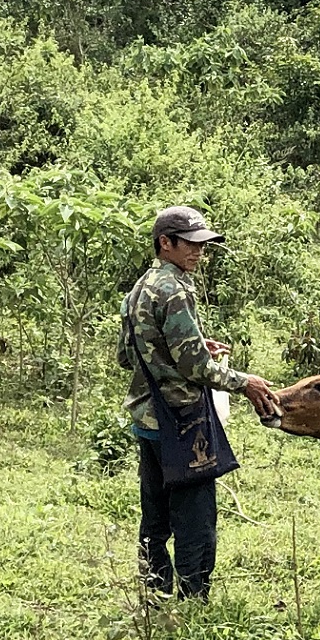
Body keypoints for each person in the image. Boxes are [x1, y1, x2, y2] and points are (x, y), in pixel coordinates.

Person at [117, 206, 276, 601]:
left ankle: (156, 593)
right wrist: (245, 382)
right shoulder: (175, 290)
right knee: (195, 518)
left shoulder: (140, 288)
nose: (198, 253)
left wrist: (181, 350)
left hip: (148, 420)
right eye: (189, 244)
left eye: (202, 246)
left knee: (155, 516)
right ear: (164, 243)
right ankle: (193, 598)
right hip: (183, 421)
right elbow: (196, 368)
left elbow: (127, 355)